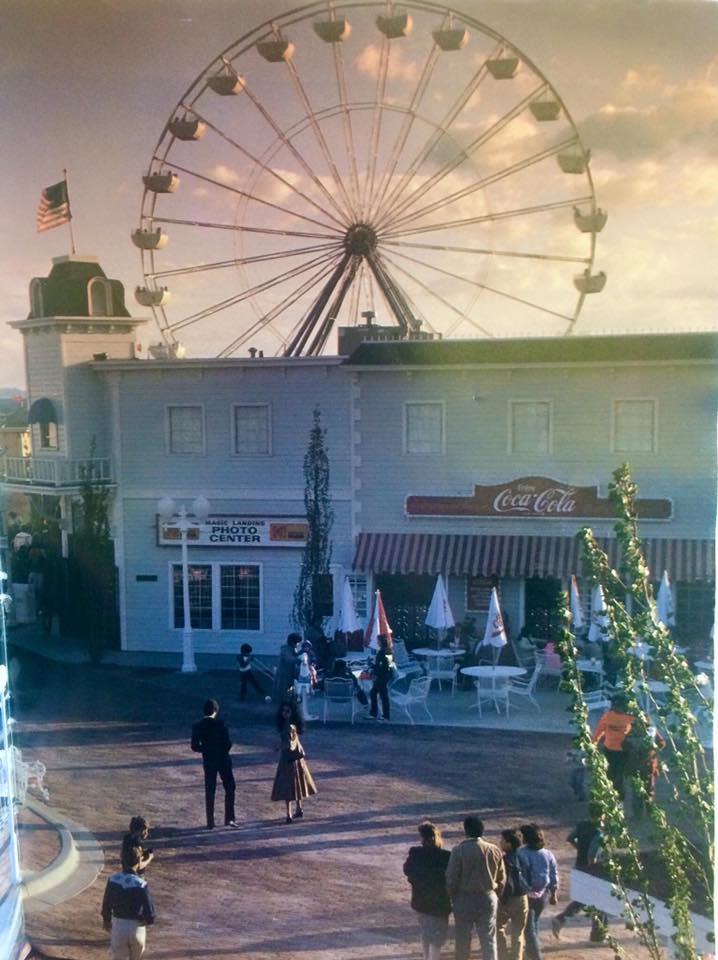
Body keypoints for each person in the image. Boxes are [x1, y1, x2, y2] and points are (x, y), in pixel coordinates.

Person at [446, 814, 506, 960]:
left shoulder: (458, 851)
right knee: (489, 940)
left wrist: (452, 897)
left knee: (462, 940)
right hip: (488, 897)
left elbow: (452, 879)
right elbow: (502, 878)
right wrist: (496, 895)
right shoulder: (494, 850)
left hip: (464, 898)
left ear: (466, 830)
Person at [551, 807, 606, 942]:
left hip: (579, 866)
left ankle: (563, 919)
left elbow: (570, 838)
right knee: (599, 901)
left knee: (588, 899)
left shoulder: (582, 825)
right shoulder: (599, 833)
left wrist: (579, 848)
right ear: (602, 815)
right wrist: (594, 865)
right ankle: (598, 935)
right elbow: (592, 856)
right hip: (591, 870)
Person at [403, 821, 451, 960]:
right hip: (440, 902)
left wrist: (414, 881)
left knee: (426, 933)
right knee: (438, 936)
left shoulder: (415, 853)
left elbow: (407, 870)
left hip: (421, 900)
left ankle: (426, 958)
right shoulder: (446, 856)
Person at [101, 844, 155, 960]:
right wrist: (146, 921)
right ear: (139, 862)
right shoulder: (141, 884)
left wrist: (106, 920)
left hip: (119, 926)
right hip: (137, 928)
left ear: (122, 860)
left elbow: (106, 904)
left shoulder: (113, 880)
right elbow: (150, 913)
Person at [190, 698, 238, 829]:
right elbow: (228, 744)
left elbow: (194, 746)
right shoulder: (221, 724)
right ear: (216, 711)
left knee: (210, 790)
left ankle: (210, 822)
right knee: (230, 788)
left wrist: (207, 749)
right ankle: (229, 818)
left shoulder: (198, 726)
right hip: (223, 759)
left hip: (209, 761)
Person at [518, 823, 558, 960]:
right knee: (534, 924)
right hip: (543, 895)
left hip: (527, 895)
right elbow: (554, 875)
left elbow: (520, 876)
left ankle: (535, 956)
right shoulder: (548, 854)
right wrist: (554, 894)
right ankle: (531, 953)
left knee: (529, 930)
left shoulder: (521, 853)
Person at [271, 703, 316, 823]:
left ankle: (289, 814)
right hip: (297, 759)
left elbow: (287, 744)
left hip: (287, 759)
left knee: (287, 788)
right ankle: (299, 809)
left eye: (287, 711)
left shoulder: (288, 727)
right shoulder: (293, 725)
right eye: (283, 711)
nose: (284, 713)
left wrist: (278, 747)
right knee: (298, 784)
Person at [592, 694, 634, 800]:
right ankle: (612, 798)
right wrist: (593, 744)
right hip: (610, 750)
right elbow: (599, 731)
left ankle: (618, 799)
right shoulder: (608, 716)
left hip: (623, 752)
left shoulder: (630, 718)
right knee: (611, 775)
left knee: (618, 777)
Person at [496, 828, 530, 960]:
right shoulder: (523, 857)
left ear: (509, 844)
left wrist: (501, 901)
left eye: (502, 840)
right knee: (518, 933)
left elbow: (505, 882)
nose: (500, 842)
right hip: (522, 897)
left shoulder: (504, 860)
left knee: (498, 928)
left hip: (507, 898)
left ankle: (503, 956)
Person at [369, 633, 395, 722]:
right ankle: (377, 714)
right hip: (384, 676)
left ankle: (383, 715)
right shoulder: (387, 651)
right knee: (376, 694)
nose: (377, 643)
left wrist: (374, 671)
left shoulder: (384, 652)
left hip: (382, 677)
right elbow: (389, 665)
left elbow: (384, 666)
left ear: (381, 642)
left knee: (381, 695)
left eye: (378, 641)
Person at [274, 633, 300, 702]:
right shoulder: (285, 650)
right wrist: (299, 660)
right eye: (297, 643)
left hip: (290, 674)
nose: (298, 644)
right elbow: (289, 659)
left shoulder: (293, 649)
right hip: (283, 675)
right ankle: (283, 705)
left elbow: (296, 655)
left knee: (290, 690)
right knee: (284, 692)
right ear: (292, 642)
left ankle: (289, 702)